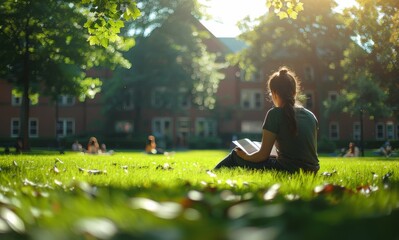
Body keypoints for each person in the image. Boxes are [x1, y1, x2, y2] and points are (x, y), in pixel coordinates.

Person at [214, 67, 320, 173]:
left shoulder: (274, 114)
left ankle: (211, 173)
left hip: (287, 169)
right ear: (294, 92)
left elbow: (262, 156)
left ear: (274, 93)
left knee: (235, 155)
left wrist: (244, 156)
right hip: (312, 170)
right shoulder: (311, 115)